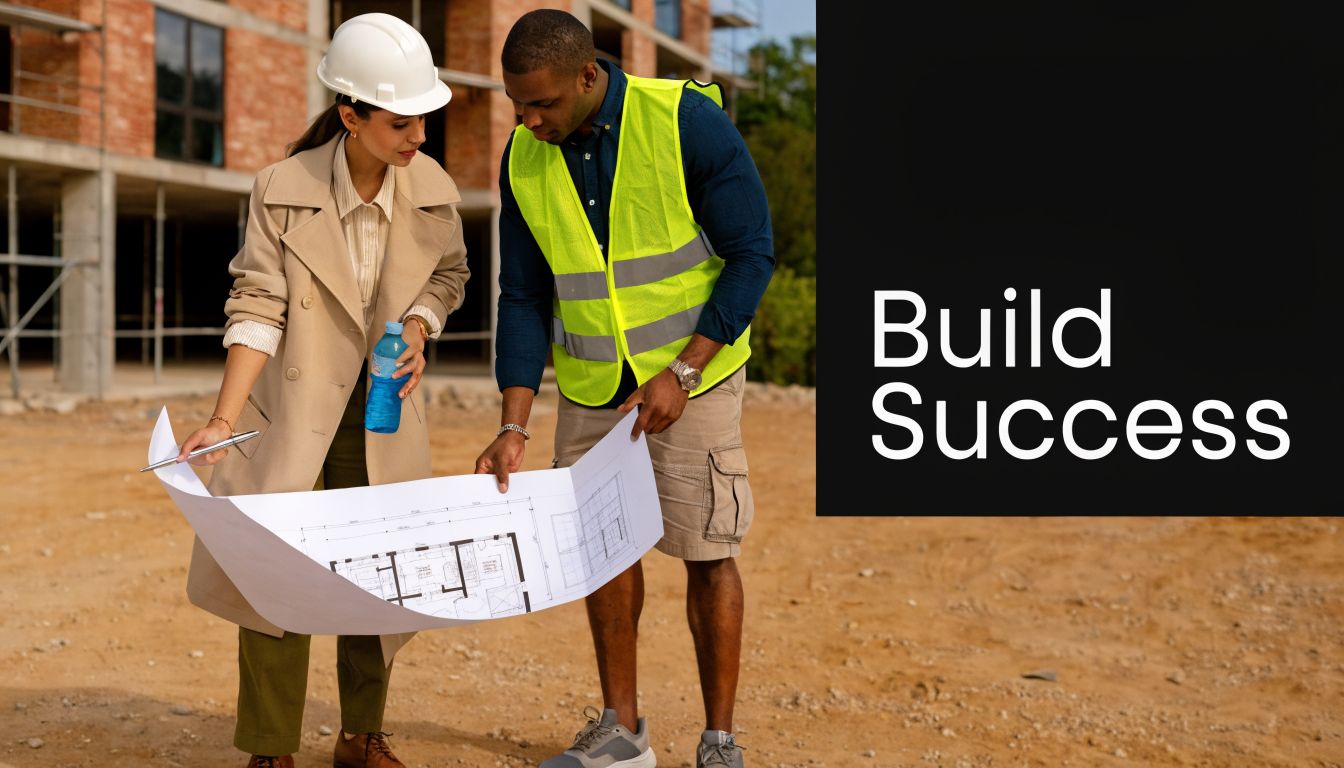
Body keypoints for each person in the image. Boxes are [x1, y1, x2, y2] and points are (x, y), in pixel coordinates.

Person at [473, 9, 774, 768]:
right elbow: (523, 295)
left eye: (542, 103)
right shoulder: (524, 155)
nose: (528, 121)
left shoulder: (684, 121)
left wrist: (684, 370)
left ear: (588, 75)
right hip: (591, 386)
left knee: (707, 550)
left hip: (694, 378)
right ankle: (622, 731)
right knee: (603, 554)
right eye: (517, 105)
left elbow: (751, 254)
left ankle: (719, 741)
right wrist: (513, 423)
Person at [175, 13, 468, 768]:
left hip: (383, 413)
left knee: (377, 578)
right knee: (275, 575)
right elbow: (257, 303)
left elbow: (449, 276)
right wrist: (223, 419)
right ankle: (270, 748)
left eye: (424, 120)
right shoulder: (280, 188)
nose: (419, 138)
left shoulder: (435, 189)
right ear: (350, 115)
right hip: (293, 414)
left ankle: (362, 735)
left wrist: (423, 324)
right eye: (401, 122)